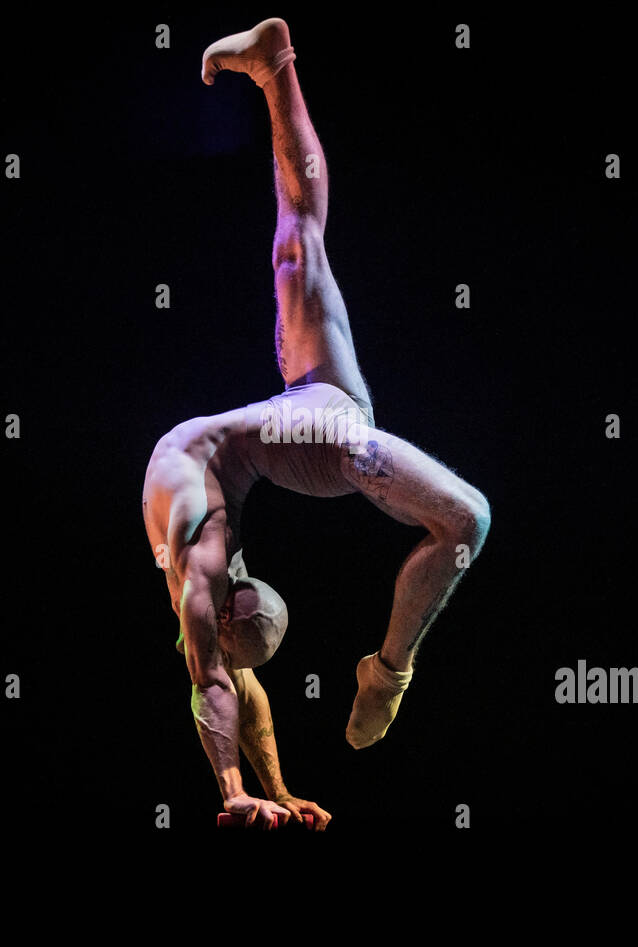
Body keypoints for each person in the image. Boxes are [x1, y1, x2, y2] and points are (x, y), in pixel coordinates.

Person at [141, 17, 491, 830]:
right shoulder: (204, 554)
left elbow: (217, 685)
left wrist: (237, 792)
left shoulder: (198, 550)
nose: (219, 654)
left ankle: (389, 670)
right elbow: (231, 682)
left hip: (322, 432)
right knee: (298, 241)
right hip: (316, 409)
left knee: (467, 516)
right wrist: (269, 787)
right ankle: (277, 68)